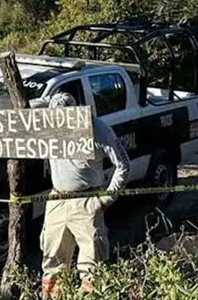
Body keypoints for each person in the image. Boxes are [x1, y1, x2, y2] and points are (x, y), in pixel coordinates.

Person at [36, 91, 130, 297]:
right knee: (52, 261)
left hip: (87, 202)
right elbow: (25, 113)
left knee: (91, 265)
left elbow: (123, 165)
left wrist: (106, 199)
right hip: (57, 200)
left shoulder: (98, 128)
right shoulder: (48, 126)